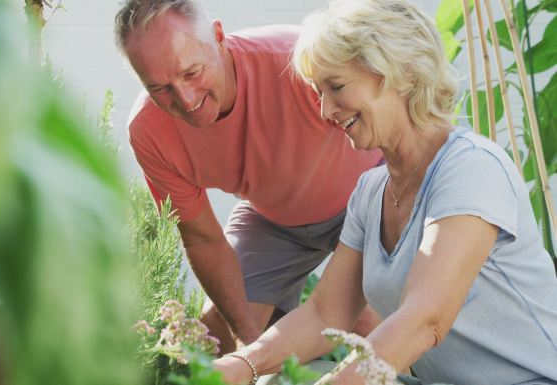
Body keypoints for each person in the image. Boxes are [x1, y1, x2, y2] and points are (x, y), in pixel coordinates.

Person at [213, 0, 557, 384]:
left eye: (336, 86)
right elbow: (324, 315)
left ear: (398, 73)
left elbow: (424, 320)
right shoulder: (372, 191)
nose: (325, 110)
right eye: (318, 92)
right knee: (280, 379)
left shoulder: (472, 168)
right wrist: (240, 365)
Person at [114, 0, 383, 353]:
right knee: (218, 338)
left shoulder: (298, 59)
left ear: (219, 37)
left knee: (367, 323)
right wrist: (249, 348)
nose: (186, 99)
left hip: (366, 195)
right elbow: (202, 240)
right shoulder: (149, 130)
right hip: (273, 218)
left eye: (192, 72)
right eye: (160, 89)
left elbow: (385, 117)